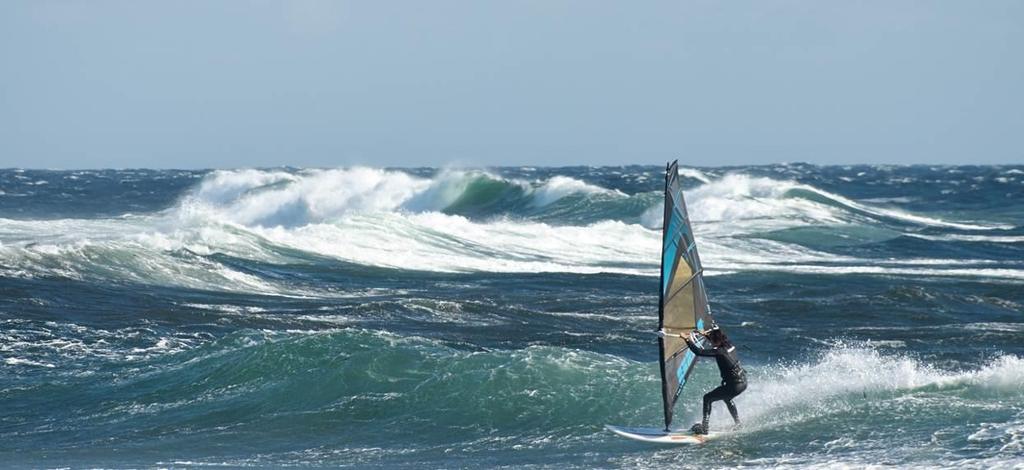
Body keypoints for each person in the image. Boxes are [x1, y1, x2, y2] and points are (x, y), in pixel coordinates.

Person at [682, 326, 747, 435]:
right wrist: (706, 335)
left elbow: (699, 352)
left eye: (711, 341)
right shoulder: (729, 345)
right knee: (727, 398)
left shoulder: (719, 352)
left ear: (715, 340)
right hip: (743, 382)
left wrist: (687, 339)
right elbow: (717, 340)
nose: (711, 344)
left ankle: (704, 428)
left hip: (734, 386)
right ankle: (738, 423)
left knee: (707, 398)